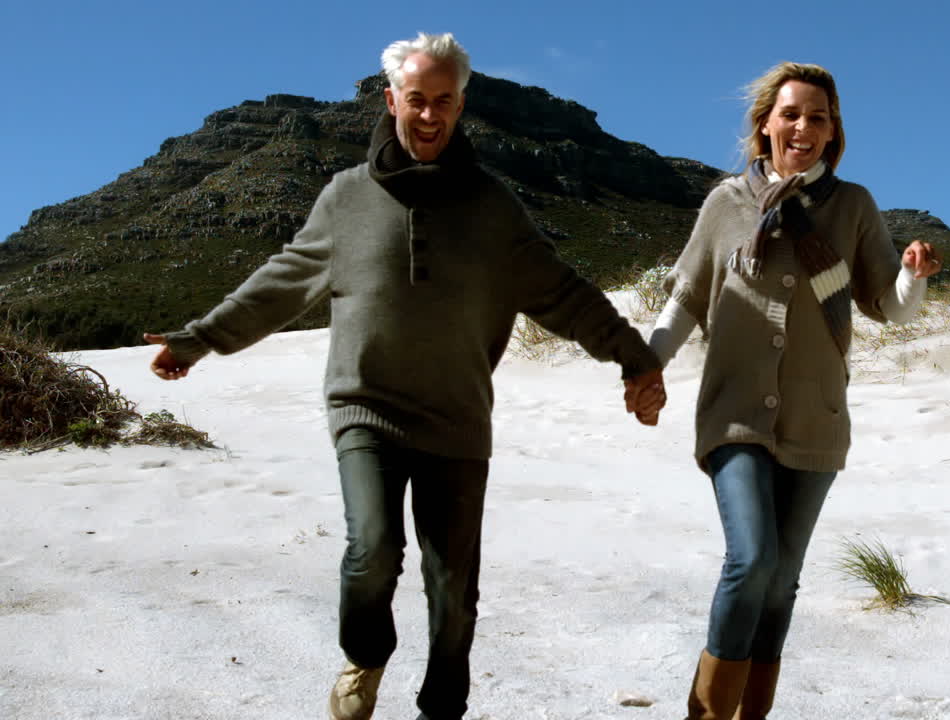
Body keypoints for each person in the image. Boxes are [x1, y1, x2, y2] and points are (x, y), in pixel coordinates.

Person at [143, 32, 666, 720]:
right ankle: (366, 656)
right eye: (415, 100)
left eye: (443, 102)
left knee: (454, 589)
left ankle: (441, 707)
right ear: (391, 101)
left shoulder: (493, 206)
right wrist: (198, 340)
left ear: (461, 105)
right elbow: (280, 285)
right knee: (373, 549)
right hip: (366, 407)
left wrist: (633, 357)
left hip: (457, 418)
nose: (428, 116)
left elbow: (563, 293)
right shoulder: (345, 199)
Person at [643, 62, 943, 719]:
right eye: (792, 114)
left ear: (833, 132)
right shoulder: (727, 205)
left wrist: (913, 278)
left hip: (817, 420)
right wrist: (649, 365)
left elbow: (886, 305)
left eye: (819, 116)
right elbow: (688, 297)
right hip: (734, 417)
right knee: (751, 561)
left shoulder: (853, 206)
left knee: (780, 585)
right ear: (764, 125)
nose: (804, 127)